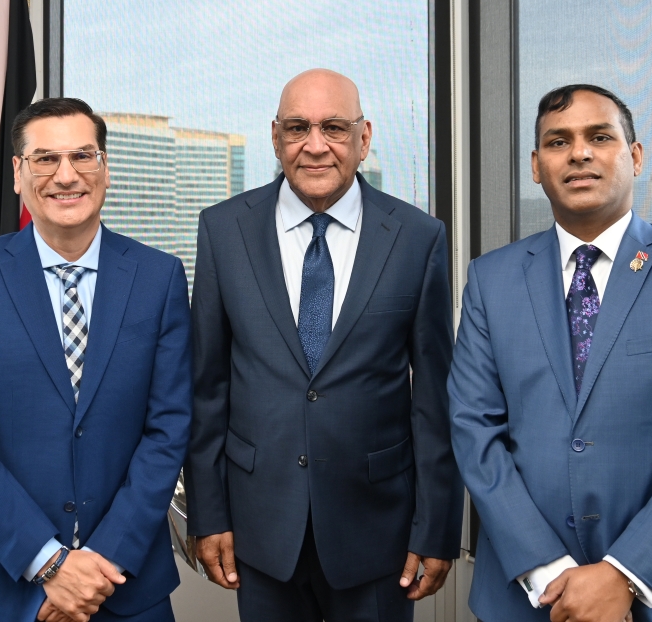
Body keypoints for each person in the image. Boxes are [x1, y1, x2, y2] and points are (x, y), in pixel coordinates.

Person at [448, 84, 652, 622]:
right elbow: (474, 432)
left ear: (635, 155)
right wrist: (551, 574)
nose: (579, 153)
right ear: (536, 165)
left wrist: (624, 574)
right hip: (530, 599)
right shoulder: (490, 280)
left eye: (600, 137)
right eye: (558, 141)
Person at [185, 68, 465, 622]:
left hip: (378, 533)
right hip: (259, 528)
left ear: (364, 139)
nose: (315, 146)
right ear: (275, 137)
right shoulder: (222, 231)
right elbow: (206, 387)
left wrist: (437, 528)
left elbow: (436, 400)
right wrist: (208, 514)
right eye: (297, 128)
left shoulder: (417, 237)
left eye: (334, 127)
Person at [0, 98, 192, 622]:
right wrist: (50, 564)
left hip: (124, 585)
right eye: (46, 159)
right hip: (0, 590)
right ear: (18, 174)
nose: (66, 175)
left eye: (83, 156)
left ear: (105, 168)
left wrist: (97, 565)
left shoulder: (159, 278)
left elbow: (168, 432)